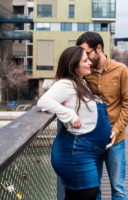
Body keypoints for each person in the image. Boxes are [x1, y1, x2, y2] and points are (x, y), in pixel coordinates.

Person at [37, 46, 111, 200]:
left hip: (83, 152)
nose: (89, 62)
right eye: (85, 60)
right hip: (75, 153)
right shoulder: (66, 84)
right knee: (87, 194)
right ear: (73, 67)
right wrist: (69, 114)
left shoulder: (81, 83)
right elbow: (43, 101)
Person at [76, 32, 128, 200]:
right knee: (94, 188)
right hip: (92, 137)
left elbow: (127, 105)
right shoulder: (85, 72)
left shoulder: (121, 70)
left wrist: (116, 130)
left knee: (118, 188)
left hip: (116, 138)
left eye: (86, 53)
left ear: (99, 48)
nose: (84, 58)